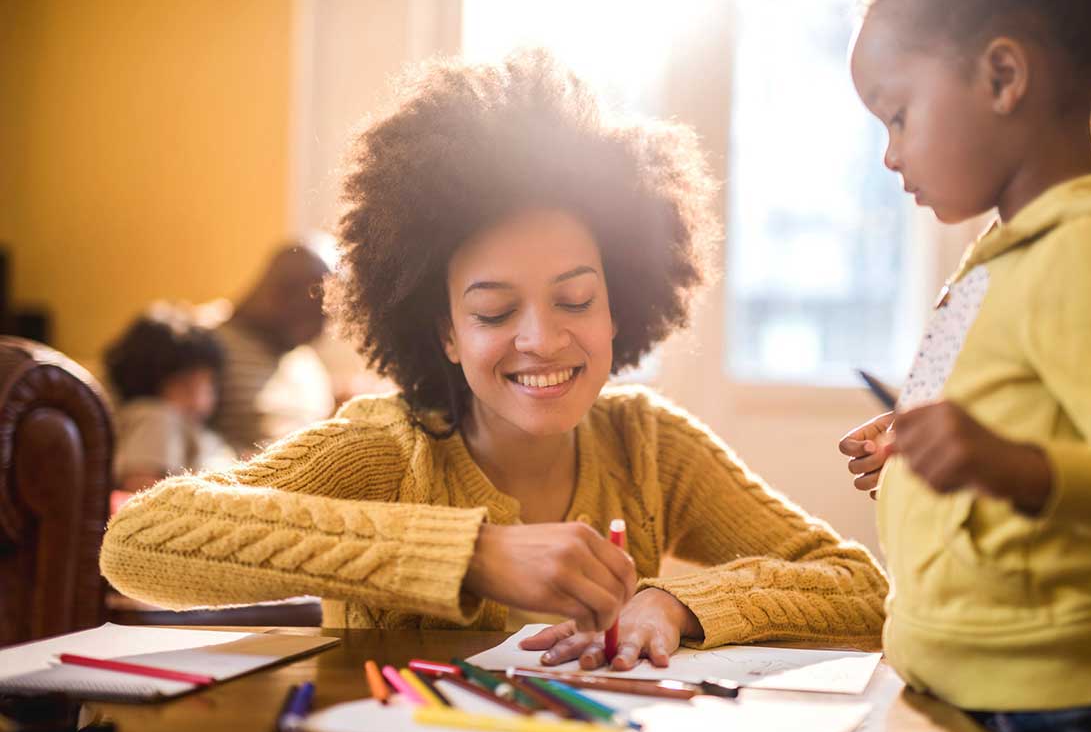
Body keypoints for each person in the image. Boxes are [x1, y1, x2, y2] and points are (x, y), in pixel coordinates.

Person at [102, 50, 888, 670]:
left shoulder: (650, 445)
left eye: (576, 301)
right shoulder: (385, 449)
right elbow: (138, 542)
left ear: (622, 306)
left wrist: (678, 605)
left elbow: (859, 588)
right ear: (444, 332)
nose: (542, 340)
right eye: (493, 312)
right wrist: (472, 555)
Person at [840, 0, 1091, 732]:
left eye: (899, 116)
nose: (891, 155)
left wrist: (1009, 465)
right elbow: (992, 421)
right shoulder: (994, 262)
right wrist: (911, 448)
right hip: (961, 686)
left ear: (1004, 77)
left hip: (1074, 710)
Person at [210, 244, 335, 456]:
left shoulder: (304, 359)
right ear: (280, 294)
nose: (321, 332)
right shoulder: (202, 344)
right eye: (316, 316)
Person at [104, 304, 235, 499]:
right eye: (185, 386)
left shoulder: (193, 428)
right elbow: (141, 489)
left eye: (208, 386)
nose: (199, 401)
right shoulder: (154, 416)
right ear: (146, 383)